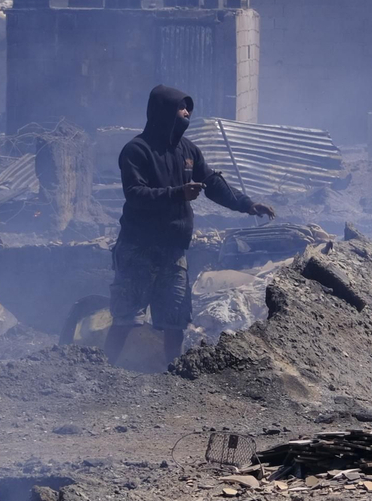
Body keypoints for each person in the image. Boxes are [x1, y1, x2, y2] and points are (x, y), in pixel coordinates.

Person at [105, 84, 276, 370]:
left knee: (175, 319)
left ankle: (173, 376)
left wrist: (247, 205)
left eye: (188, 108)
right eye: (181, 108)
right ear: (164, 112)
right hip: (138, 250)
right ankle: (102, 370)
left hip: (174, 251)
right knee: (126, 317)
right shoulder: (137, 150)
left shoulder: (188, 150)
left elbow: (213, 183)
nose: (187, 113)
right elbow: (135, 193)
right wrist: (177, 193)